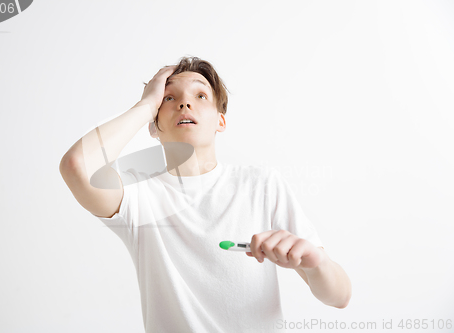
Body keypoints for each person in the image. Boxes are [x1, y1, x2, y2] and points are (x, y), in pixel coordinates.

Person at [59, 56, 352, 332]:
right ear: (154, 127)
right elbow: (77, 166)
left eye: (200, 96)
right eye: (169, 98)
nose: (185, 103)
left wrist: (317, 264)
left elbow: (339, 297)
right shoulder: (138, 196)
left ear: (220, 121)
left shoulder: (261, 185)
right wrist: (146, 104)